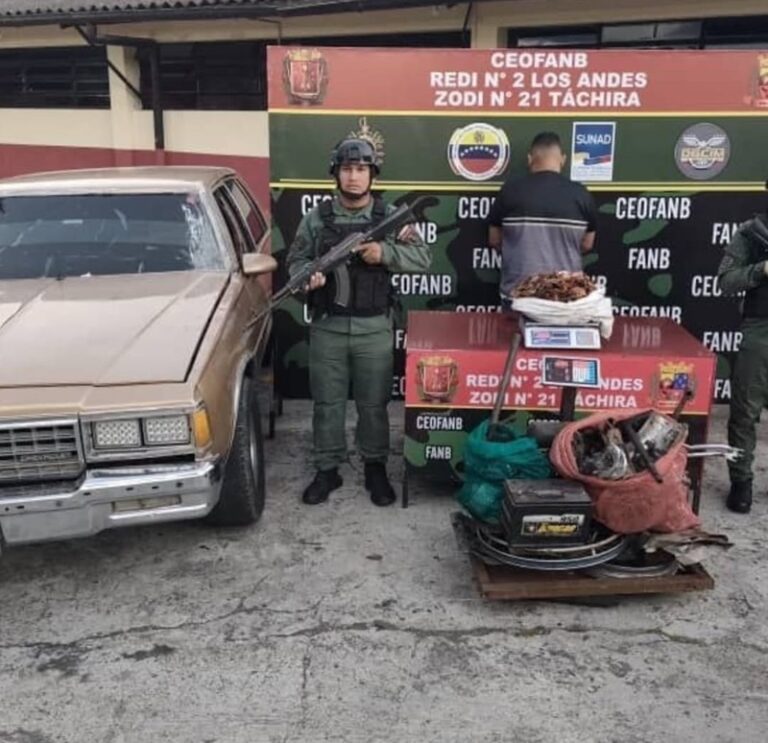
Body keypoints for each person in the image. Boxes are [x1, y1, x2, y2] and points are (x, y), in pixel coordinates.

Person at [287, 137, 431, 506]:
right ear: (336, 173)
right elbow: (296, 262)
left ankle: (375, 466)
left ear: (372, 174)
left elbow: (423, 258)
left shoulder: (389, 217)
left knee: (373, 403)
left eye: (361, 169)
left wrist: (384, 252)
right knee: (328, 404)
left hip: (374, 328)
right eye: (347, 169)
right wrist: (309, 277)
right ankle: (327, 468)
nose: (354, 177)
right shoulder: (317, 219)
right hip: (328, 326)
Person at [487, 131, 598, 308]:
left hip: (518, 296)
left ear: (530, 158)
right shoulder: (581, 194)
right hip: (566, 298)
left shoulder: (510, 191)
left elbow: (494, 240)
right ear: (563, 159)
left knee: (513, 336)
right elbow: (587, 245)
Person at [717, 205, 768, 513]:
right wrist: (761, 270)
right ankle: (741, 482)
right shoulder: (752, 233)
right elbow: (726, 282)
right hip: (760, 329)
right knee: (744, 411)